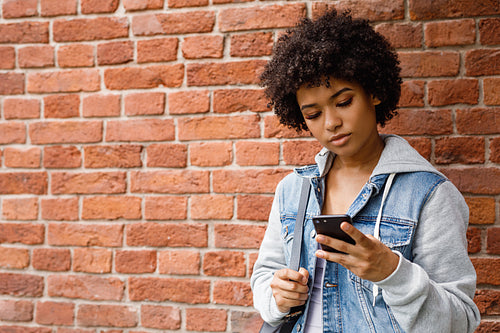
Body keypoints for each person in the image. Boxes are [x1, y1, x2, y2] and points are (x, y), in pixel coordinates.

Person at [250, 9, 480, 333]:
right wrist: (278, 296)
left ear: (374, 92)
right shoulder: (293, 189)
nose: (331, 123)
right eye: (313, 114)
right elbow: (265, 277)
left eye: (343, 102)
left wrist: (392, 273)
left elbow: (460, 321)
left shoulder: (429, 196)